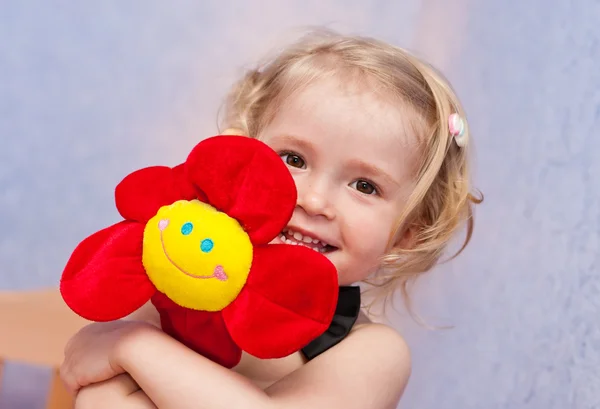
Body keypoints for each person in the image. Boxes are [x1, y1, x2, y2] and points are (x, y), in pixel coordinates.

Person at [59, 29, 481, 409]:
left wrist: (133, 347)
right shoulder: (184, 288)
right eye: (293, 158)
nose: (314, 200)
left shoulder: (373, 353)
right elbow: (100, 393)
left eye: (365, 186)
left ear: (408, 233)